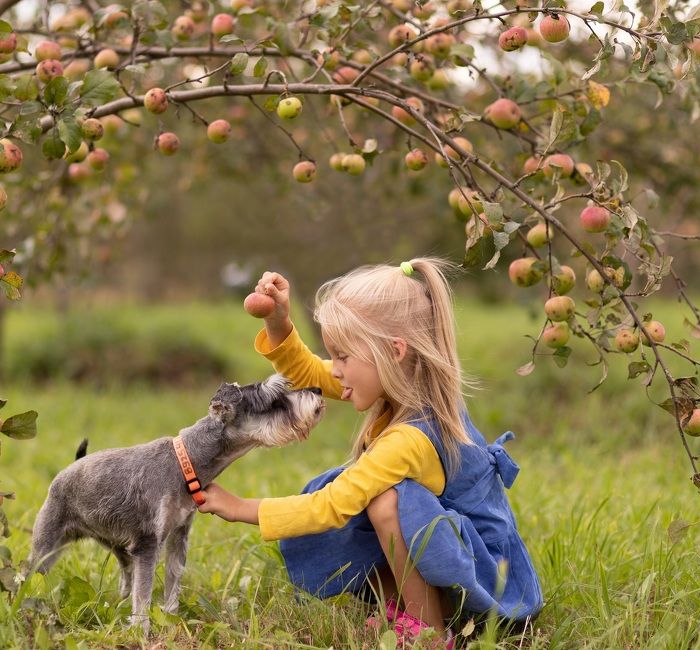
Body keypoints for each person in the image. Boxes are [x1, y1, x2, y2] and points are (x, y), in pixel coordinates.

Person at [197, 259, 543, 646]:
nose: (336, 370)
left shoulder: (410, 439)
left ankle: (428, 630)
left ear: (394, 351)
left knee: (384, 501)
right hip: (456, 554)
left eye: (342, 356)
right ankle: (405, 604)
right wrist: (278, 323)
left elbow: (330, 506)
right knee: (374, 496)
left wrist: (239, 507)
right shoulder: (406, 387)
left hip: (485, 573)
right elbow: (309, 372)